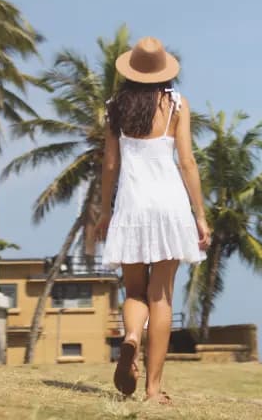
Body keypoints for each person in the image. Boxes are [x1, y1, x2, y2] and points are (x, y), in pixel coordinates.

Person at [94, 36, 211, 405]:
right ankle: (153, 390)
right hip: (170, 206)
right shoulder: (176, 104)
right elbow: (187, 162)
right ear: (163, 71)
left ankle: (131, 336)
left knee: (134, 291)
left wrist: (105, 211)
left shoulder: (115, 108)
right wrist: (200, 216)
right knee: (162, 297)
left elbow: (110, 165)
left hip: (132, 205)